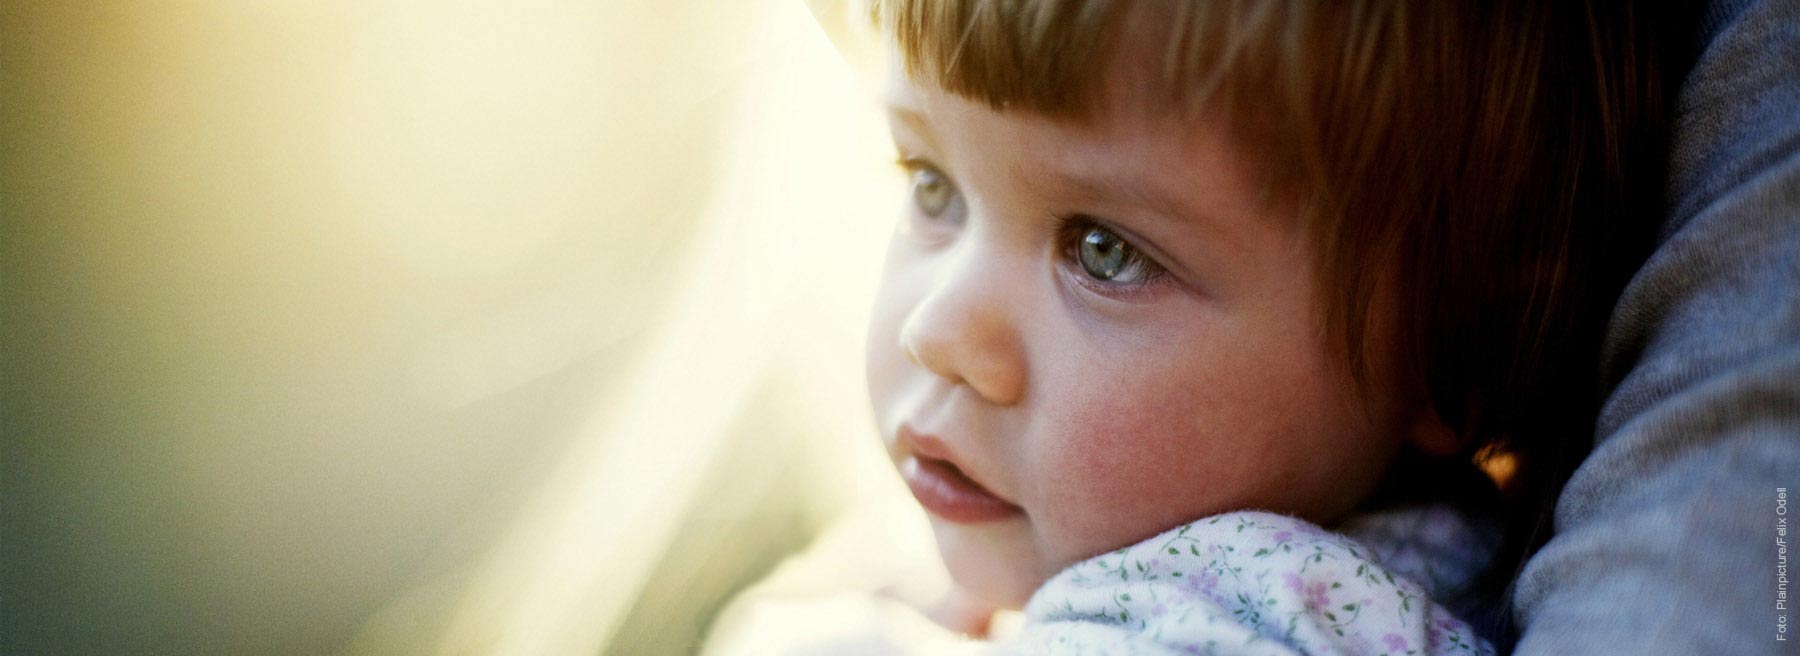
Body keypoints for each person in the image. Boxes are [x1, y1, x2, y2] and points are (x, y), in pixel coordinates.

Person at [856, 1, 1664, 653]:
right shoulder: (1439, 556)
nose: (936, 331)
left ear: (1451, 351)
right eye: (934, 188)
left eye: (1105, 253)